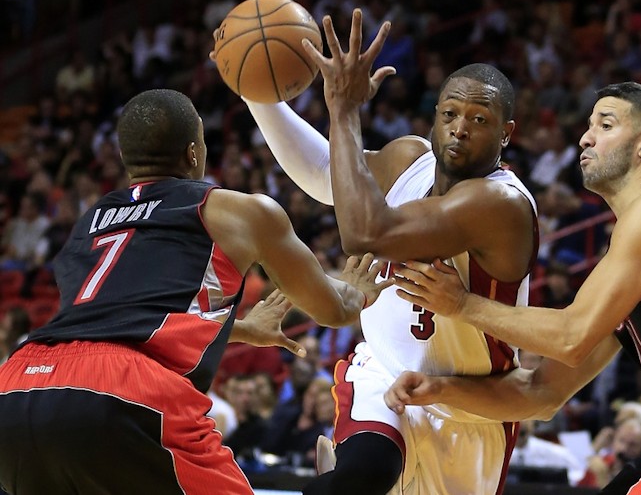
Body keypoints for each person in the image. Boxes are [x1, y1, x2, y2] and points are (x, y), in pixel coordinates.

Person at [387, 82, 641, 494]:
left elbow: (571, 337)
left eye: (605, 125)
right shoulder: (629, 262)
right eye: (588, 125)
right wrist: (441, 389)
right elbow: (541, 392)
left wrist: (461, 304)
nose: (586, 138)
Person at [0, 88, 391, 495]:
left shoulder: (91, 219)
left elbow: (106, 326)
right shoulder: (235, 210)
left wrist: (238, 329)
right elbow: (333, 309)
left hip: (16, 385)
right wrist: (359, 290)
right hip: (123, 393)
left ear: (124, 157)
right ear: (192, 153)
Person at [232, 9, 537, 495]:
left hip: (470, 407)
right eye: (450, 114)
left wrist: (343, 108)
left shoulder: (500, 203)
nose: (460, 128)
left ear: (506, 133)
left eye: (479, 120)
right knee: (362, 475)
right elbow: (326, 174)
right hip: (382, 372)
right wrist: (256, 90)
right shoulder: (408, 160)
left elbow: (364, 232)